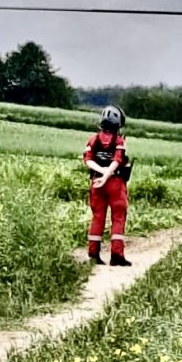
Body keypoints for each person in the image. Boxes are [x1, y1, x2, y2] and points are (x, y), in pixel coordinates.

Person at [83, 105, 132, 266]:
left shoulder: (93, 139)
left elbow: (88, 160)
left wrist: (101, 173)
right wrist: (107, 175)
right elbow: (117, 160)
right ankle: (116, 256)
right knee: (118, 216)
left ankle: (93, 254)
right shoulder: (119, 140)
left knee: (97, 217)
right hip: (115, 183)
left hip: (96, 182)